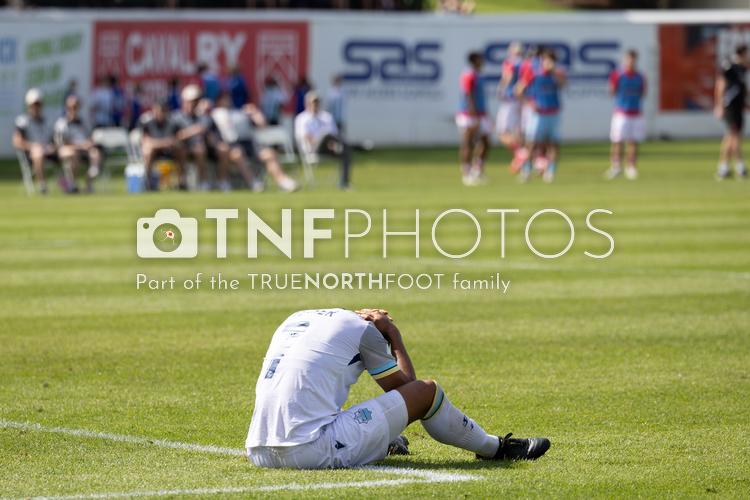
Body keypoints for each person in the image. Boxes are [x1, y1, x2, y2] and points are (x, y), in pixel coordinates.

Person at [246, 308, 550, 469]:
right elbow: (411, 391)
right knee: (427, 391)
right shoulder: (364, 329)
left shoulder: (296, 319)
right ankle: (496, 449)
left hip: (258, 449)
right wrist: (393, 334)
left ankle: (385, 442)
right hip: (307, 450)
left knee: (325, 402)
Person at [211, 92, 299, 192]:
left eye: (228, 98)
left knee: (269, 154)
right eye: (224, 99)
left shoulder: (239, 112)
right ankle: (254, 182)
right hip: (231, 145)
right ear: (218, 101)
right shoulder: (216, 114)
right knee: (238, 154)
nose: (227, 101)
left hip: (249, 144)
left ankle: (282, 181)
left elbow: (262, 125)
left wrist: (255, 113)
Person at [515, 49, 566, 183]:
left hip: (553, 113)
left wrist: (554, 72)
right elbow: (518, 90)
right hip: (538, 114)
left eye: (551, 60)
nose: (548, 63)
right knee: (531, 143)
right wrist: (530, 103)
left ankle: (550, 171)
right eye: (546, 59)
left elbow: (563, 85)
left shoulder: (557, 73)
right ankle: (526, 170)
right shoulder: (533, 72)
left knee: (553, 144)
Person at [170, 84, 227, 190]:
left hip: (207, 147)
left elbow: (215, 135)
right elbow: (173, 137)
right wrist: (193, 131)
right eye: (192, 101)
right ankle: (202, 181)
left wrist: (211, 139)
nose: (194, 104)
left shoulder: (205, 117)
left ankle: (222, 182)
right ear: (184, 101)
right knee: (199, 150)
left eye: (196, 101)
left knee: (223, 149)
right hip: (185, 149)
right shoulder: (176, 117)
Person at [295, 91, 352, 189]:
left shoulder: (326, 117)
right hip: (313, 149)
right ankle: (344, 145)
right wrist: (317, 140)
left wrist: (333, 145)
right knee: (326, 134)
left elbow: (334, 135)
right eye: (312, 102)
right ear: (307, 103)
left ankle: (344, 183)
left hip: (328, 147)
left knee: (345, 152)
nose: (315, 105)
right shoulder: (302, 118)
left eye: (316, 102)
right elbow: (305, 136)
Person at [605, 49, 646, 181]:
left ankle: (631, 166)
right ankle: (616, 166)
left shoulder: (640, 76)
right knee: (617, 141)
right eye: (628, 59)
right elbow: (612, 91)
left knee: (633, 141)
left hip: (636, 113)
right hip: (621, 113)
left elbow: (643, 93)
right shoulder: (617, 75)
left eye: (633, 60)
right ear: (624, 60)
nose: (630, 62)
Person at [12, 88, 58, 194]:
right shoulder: (22, 121)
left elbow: (54, 141)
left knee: (68, 152)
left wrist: (52, 147)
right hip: (31, 154)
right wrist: (33, 146)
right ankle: (42, 185)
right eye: (34, 105)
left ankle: (70, 185)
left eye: (38, 104)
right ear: (28, 105)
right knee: (38, 152)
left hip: (49, 152)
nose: (36, 107)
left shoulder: (48, 121)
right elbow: (17, 142)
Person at [54, 95, 102, 193]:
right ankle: (72, 185)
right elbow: (61, 143)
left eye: (75, 107)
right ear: (66, 108)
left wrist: (89, 143)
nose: (73, 110)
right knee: (73, 154)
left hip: (84, 150)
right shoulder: (61, 123)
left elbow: (90, 137)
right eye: (70, 107)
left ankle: (89, 181)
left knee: (95, 153)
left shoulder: (83, 122)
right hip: (68, 151)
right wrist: (80, 146)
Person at [714, 44, 749, 180]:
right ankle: (740, 167)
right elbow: (720, 86)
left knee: (730, 137)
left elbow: (742, 88)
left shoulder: (742, 69)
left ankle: (724, 168)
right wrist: (719, 105)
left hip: (738, 107)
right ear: (742, 54)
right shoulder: (729, 67)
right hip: (730, 107)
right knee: (735, 137)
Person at [456, 51, 490, 186]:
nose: (483, 61)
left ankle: (478, 169)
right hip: (469, 113)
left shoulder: (478, 74)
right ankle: (466, 172)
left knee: (485, 141)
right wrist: (472, 111)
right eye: (480, 59)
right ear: (475, 60)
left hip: (481, 113)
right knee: (468, 142)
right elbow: (468, 93)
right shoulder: (468, 74)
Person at [138, 98, 185, 191]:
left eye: (162, 110)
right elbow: (146, 141)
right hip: (154, 153)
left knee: (180, 150)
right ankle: (147, 181)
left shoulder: (173, 124)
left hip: (170, 151)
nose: (160, 113)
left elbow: (177, 139)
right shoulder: (147, 124)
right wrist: (164, 143)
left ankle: (182, 181)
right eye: (158, 110)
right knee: (149, 150)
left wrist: (168, 143)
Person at [495, 42, 526, 173]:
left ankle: (521, 154)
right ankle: (522, 161)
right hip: (522, 100)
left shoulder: (510, 63)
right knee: (518, 131)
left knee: (502, 132)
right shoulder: (526, 64)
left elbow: (508, 76)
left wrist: (501, 89)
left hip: (510, 99)